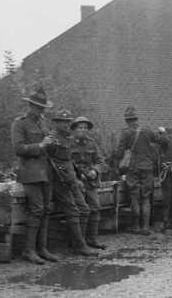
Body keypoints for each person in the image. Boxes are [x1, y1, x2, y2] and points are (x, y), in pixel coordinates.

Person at [11, 85, 59, 264]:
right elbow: (18, 148)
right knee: (37, 209)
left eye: (42, 108)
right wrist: (40, 145)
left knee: (46, 210)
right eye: (37, 107)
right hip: (30, 172)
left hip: (46, 171)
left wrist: (53, 144)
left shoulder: (44, 123)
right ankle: (28, 250)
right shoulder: (19, 123)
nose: (39, 110)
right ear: (30, 106)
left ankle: (42, 248)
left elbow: (50, 149)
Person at [44, 109, 98, 256]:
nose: (66, 125)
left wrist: (77, 177)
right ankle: (79, 246)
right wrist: (64, 177)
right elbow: (51, 162)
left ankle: (80, 243)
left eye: (67, 122)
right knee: (73, 211)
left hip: (72, 179)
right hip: (59, 181)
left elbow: (69, 161)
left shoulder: (67, 138)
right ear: (56, 123)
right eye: (63, 122)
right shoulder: (51, 138)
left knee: (85, 210)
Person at [113, 106, 167, 235]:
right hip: (147, 168)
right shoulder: (147, 130)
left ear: (126, 120)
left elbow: (119, 153)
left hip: (132, 168)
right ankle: (146, 227)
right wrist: (163, 132)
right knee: (146, 197)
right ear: (137, 119)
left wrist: (115, 157)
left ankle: (136, 226)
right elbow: (163, 141)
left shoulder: (125, 133)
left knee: (134, 197)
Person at [69, 115, 108, 250]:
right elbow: (65, 164)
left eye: (85, 128)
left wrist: (95, 170)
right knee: (80, 210)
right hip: (75, 183)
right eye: (80, 127)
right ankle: (80, 241)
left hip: (90, 183)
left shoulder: (92, 143)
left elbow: (102, 162)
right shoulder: (69, 144)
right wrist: (77, 176)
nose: (83, 130)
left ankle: (92, 239)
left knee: (95, 208)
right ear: (74, 129)